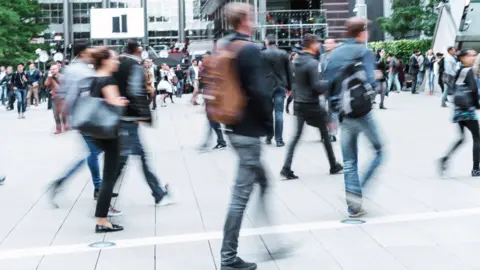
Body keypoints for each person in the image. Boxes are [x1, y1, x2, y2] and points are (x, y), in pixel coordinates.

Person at [219, 3, 274, 270]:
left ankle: (272, 240)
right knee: (240, 197)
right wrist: (269, 124)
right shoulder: (249, 49)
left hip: (231, 126)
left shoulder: (225, 45)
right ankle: (228, 259)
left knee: (264, 182)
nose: (253, 22)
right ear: (243, 20)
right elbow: (260, 92)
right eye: (251, 17)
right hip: (248, 131)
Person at [324, 17, 384, 218]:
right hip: (364, 113)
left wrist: (335, 111)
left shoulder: (334, 54)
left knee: (349, 162)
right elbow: (371, 82)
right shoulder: (364, 52)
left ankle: (353, 206)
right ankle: (357, 194)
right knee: (380, 151)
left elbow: (328, 87)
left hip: (345, 114)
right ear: (362, 32)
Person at [114, 40, 173, 206]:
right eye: (140, 49)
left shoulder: (118, 64)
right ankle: (158, 194)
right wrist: (143, 114)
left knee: (124, 160)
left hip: (120, 117)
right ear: (136, 50)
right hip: (129, 119)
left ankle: (105, 191)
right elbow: (136, 91)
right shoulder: (133, 65)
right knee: (135, 158)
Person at [50, 42, 108, 205]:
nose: (91, 54)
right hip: (86, 117)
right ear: (83, 53)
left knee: (93, 152)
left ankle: (97, 186)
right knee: (93, 152)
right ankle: (96, 187)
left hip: (83, 116)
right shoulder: (81, 70)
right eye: (89, 51)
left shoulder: (71, 69)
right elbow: (75, 93)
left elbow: (65, 93)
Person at [280, 34, 343, 180]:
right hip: (312, 105)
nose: (319, 46)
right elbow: (316, 86)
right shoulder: (312, 63)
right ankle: (333, 165)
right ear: (312, 45)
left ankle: (286, 167)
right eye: (318, 44)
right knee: (325, 133)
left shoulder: (297, 60)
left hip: (299, 103)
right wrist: (330, 82)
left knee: (296, 136)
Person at [88, 47, 129, 233]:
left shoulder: (95, 78)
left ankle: (102, 216)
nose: (117, 62)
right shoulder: (108, 80)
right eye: (114, 59)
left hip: (97, 131)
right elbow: (115, 104)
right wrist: (122, 101)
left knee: (110, 174)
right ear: (105, 61)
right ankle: (102, 220)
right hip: (110, 132)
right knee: (109, 178)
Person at [439, 49, 480, 177]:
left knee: (461, 138)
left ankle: (445, 159)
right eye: (471, 55)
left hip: (458, 109)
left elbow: (453, 88)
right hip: (468, 110)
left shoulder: (459, 70)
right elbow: (473, 89)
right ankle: (476, 169)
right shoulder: (468, 71)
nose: (473, 57)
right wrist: (477, 104)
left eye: (474, 55)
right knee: (477, 138)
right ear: (463, 58)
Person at [262, 34, 292, 147]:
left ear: (267, 42)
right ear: (276, 42)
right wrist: (290, 87)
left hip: (267, 87)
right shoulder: (283, 54)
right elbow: (289, 71)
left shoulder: (262, 54)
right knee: (279, 112)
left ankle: (269, 137)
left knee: (268, 112)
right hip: (281, 86)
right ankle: (279, 140)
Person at [44, 64, 66, 134]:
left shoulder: (63, 77)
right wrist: (49, 77)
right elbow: (46, 84)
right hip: (54, 97)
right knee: (55, 114)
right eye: (51, 69)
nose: (52, 70)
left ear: (58, 69)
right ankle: (58, 129)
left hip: (63, 97)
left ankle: (65, 124)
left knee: (63, 113)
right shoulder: (50, 77)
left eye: (54, 69)